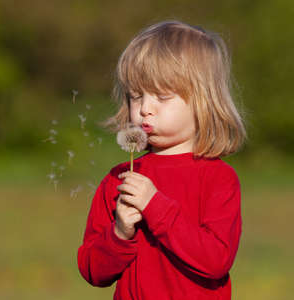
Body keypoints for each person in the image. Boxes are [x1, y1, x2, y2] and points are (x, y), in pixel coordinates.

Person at [77, 20, 247, 300]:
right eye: (136, 96)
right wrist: (119, 234)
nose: (144, 109)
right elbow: (93, 272)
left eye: (162, 96)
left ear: (204, 102)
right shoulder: (119, 180)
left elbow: (216, 261)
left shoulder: (219, 178)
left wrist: (155, 207)